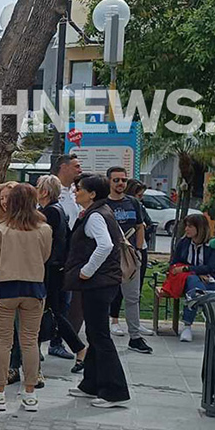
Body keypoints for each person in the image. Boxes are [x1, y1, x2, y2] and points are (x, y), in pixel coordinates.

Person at [0, 183, 52, 412]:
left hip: (5, 288)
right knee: (30, 341)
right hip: (34, 288)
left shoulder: (1, 230)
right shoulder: (44, 229)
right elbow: (45, 256)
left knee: (3, 342)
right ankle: (30, 394)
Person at [64, 174, 131, 408]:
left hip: (98, 284)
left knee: (100, 336)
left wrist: (86, 271)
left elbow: (106, 245)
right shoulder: (101, 211)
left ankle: (114, 391)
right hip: (103, 282)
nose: (76, 192)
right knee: (94, 334)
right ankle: (91, 384)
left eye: (80, 189)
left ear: (92, 194)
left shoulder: (95, 216)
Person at [36, 175, 86, 363]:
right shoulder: (56, 209)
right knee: (50, 310)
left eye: (38, 187)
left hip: (51, 269)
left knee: (52, 310)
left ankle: (78, 347)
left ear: (44, 192)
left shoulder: (49, 212)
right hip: (56, 267)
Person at [105, 166, 151, 354]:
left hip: (130, 257)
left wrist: (138, 250)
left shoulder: (133, 202)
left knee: (132, 297)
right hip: (108, 257)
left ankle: (135, 337)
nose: (120, 183)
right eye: (116, 180)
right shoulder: (102, 203)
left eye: (123, 180)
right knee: (104, 298)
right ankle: (102, 336)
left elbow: (140, 226)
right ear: (109, 181)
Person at [170, 213, 215, 343]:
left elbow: (210, 267)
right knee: (193, 282)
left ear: (200, 228)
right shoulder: (183, 243)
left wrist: (188, 269)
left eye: (190, 226)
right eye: (186, 226)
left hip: (208, 279)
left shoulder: (212, 244)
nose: (186, 229)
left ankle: (190, 319)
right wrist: (194, 272)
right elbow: (174, 264)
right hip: (187, 280)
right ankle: (197, 309)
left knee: (195, 290)